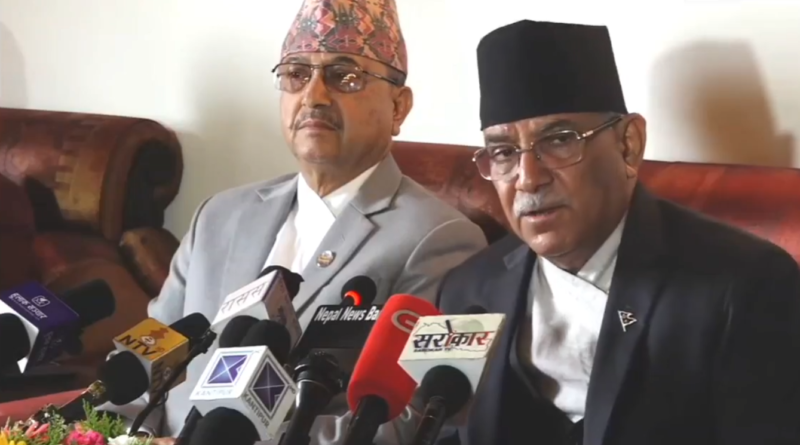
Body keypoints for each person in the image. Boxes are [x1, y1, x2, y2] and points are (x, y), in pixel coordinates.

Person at [106, 1, 487, 443]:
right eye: (296, 74)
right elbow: (144, 364)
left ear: (399, 107)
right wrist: (113, 434)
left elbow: (408, 423)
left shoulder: (439, 240)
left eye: (345, 76)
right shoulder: (219, 215)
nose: (313, 96)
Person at [437, 20, 800, 445]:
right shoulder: (467, 290)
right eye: (503, 153)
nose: (528, 178)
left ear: (629, 145)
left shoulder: (744, 287)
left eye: (560, 140)